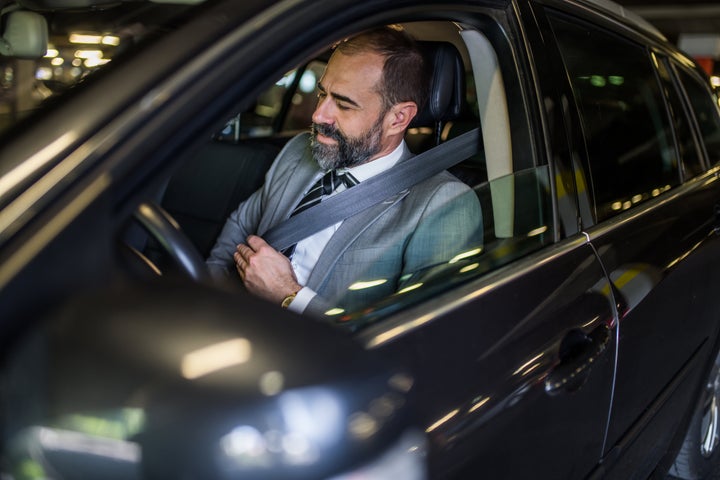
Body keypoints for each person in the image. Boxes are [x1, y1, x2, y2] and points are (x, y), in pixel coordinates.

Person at [206, 26, 483, 318]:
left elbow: (419, 341)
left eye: (343, 104)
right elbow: (239, 229)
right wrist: (211, 307)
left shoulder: (443, 204)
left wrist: (289, 296)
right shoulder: (299, 151)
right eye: (322, 94)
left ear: (398, 118)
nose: (318, 116)